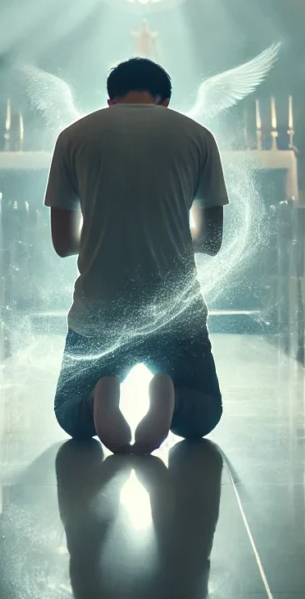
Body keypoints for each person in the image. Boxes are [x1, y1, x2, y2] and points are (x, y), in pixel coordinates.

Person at [46, 57, 228, 455]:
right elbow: (211, 239)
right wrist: (167, 233)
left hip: (98, 316)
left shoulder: (74, 136)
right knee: (204, 415)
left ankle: (98, 396)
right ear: (164, 101)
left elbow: (62, 242)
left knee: (69, 415)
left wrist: (103, 234)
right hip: (176, 314)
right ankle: (173, 396)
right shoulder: (197, 136)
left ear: (110, 100)